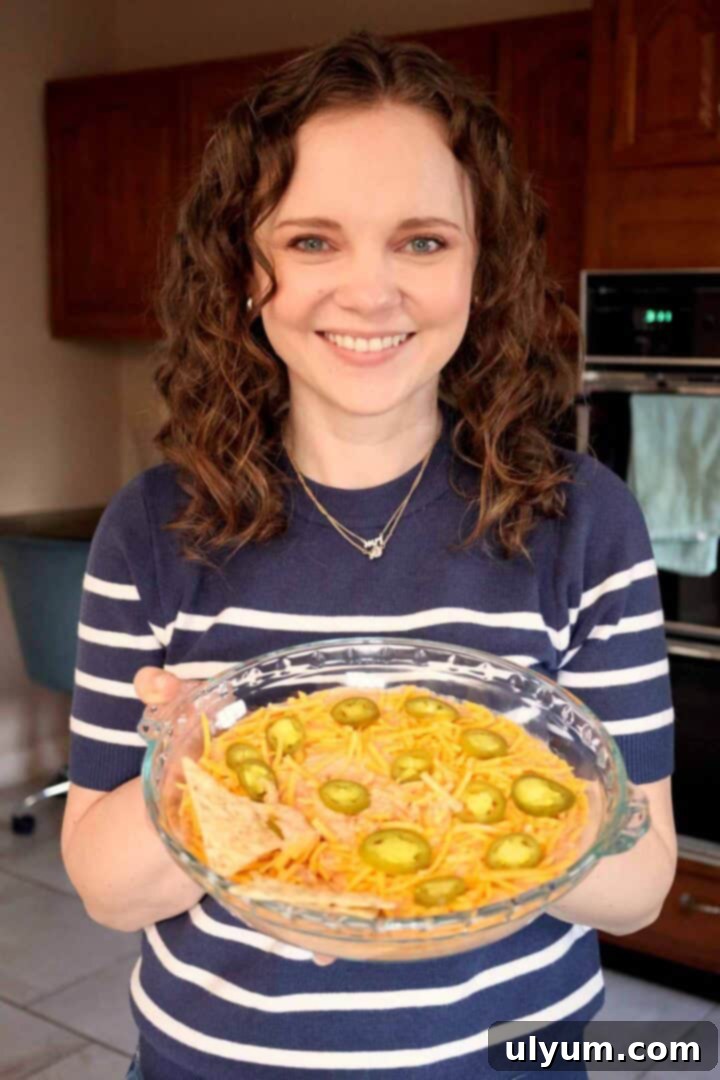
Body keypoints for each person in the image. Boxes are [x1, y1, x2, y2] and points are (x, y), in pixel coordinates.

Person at [60, 30, 676, 1080]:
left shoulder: (584, 519)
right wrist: (207, 769)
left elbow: (640, 884)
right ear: (243, 265)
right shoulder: (156, 527)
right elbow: (110, 892)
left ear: (484, 264)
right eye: (311, 241)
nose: (370, 292)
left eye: (423, 241)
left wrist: (479, 765)